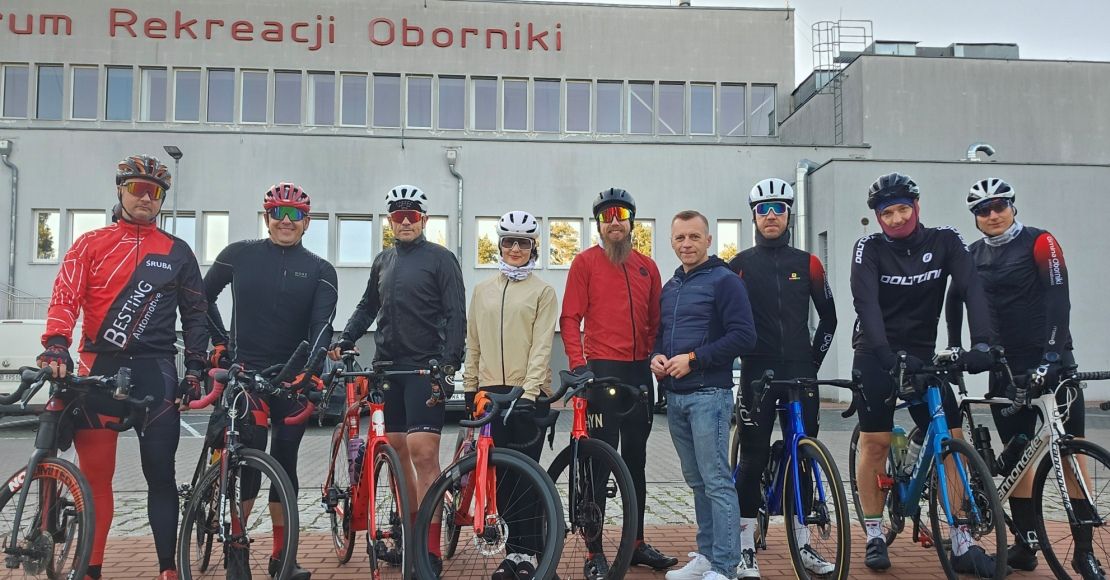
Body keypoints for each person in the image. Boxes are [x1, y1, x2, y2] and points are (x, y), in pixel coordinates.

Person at [37, 154, 209, 580]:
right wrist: (56, 343)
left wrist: (195, 368)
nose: (146, 198)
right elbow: (66, 297)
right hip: (99, 369)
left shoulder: (177, 251)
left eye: (155, 192)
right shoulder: (90, 243)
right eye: (137, 189)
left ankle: (168, 569)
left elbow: (196, 315)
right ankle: (91, 568)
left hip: (156, 373)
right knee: (96, 479)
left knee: (161, 477)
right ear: (120, 190)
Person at [947, 178, 1101, 578]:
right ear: (975, 217)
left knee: (1070, 455)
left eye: (999, 206)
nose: (992, 215)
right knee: (1018, 457)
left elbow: (1059, 300)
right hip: (1005, 368)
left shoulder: (1040, 242)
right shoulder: (971, 254)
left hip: (1052, 360)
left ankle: (1084, 552)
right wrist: (956, 345)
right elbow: (954, 300)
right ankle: (1026, 544)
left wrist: (1051, 357)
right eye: (983, 210)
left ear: (1013, 207)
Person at [850, 172, 998, 575]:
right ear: (878, 217)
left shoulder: (945, 240)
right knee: (877, 442)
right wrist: (886, 355)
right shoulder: (869, 248)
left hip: (922, 355)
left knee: (952, 438)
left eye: (903, 209)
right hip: (876, 353)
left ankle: (962, 539)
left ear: (916, 207)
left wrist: (982, 343)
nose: (896, 219)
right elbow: (866, 305)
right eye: (887, 213)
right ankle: (874, 533)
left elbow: (972, 289)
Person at [204, 182, 338, 580]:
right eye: (278, 212)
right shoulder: (238, 255)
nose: (286, 220)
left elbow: (322, 327)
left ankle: (283, 555)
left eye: (295, 215)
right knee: (247, 459)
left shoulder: (320, 270)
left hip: (291, 379)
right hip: (246, 374)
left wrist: (310, 371)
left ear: (307, 222)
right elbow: (199, 297)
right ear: (266, 217)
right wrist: (219, 342)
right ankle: (237, 549)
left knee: (284, 461)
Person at [329, 185, 465, 572]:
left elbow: (456, 313)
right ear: (390, 221)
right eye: (398, 216)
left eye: (412, 215)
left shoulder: (441, 259)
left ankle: (430, 551)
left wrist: (449, 363)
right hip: (389, 368)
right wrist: (347, 337)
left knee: (423, 452)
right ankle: (409, 535)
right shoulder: (383, 261)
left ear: (424, 219)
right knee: (397, 451)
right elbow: (367, 306)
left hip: (425, 368)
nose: (405, 221)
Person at [559, 187, 678, 576]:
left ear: (631, 223)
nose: (614, 222)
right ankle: (593, 551)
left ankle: (637, 543)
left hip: (639, 373)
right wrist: (579, 366)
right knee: (599, 464)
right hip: (601, 372)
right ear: (598, 224)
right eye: (607, 216)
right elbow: (569, 319)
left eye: (621, 216)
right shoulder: (585, 263)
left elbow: (656, 322)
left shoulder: (647, 267)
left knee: (636, 462)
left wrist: (655, 358)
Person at [728, 178, 837, 577]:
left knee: (803, 457)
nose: (771, 216)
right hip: (757, 372)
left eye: (779, 208)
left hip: (800, 371)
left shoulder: (809, 263)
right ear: (754, 216)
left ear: (789, 214)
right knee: (752, 458)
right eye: (763, 209)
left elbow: (830, 319)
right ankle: (744, 549)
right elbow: (724, 319)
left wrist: (811, 363)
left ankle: (803, 544)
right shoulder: (738, 265)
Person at [654, 210, 757, 580]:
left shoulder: (725, 281)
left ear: (708, 240)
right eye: (680, 237)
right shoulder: (671, 286)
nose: (687, 244)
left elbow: (744, 336)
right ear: (672, 241)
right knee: (697, 481)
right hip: (676, 397)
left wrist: (694, 359)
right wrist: (657, 357)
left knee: (716, 481)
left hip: (710, 395)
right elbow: (662, 334)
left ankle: (726, 566)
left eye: (694, 237)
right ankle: (708, 556)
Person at [463, 210, 558, 579]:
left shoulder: (543, 291)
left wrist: (530, 393)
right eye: (508, 242)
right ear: (499, 245)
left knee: (527, 478)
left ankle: (529, 555)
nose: (515, 249)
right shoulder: (482, 290)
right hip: (491, 392)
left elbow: (541, 347)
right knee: (501, 477)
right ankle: (513, 554)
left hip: (527, 394)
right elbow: (473, 343)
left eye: (523, 243)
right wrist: (470, 386)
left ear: (534, 247)